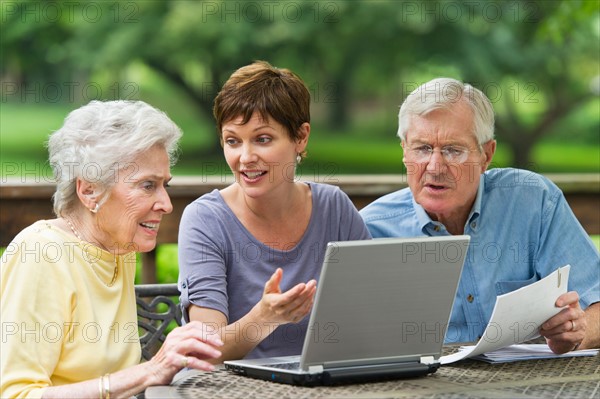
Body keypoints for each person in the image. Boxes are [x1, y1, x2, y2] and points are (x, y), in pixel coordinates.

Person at [359, 78, 600, 355]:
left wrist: (577, 331)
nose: (435, 166)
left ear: (486, 155)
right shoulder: (371, 229)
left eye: (452, 150)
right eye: (422, 148)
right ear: (404, 151)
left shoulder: (533, 202)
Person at [0, 100, 223, 399]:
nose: (166, 205)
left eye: (164, 185)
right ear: (90, 191)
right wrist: (150, 370)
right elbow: (16, 395)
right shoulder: (42, 255)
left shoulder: (117, 246)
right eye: (147, 185)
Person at [178, 61, 371, 362]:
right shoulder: (205, 220)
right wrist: (264, 317)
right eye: (232, 141)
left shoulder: (334, 208)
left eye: (262, 139)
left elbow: (373, 313)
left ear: (301, 137)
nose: (245, 158)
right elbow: (204, 349)